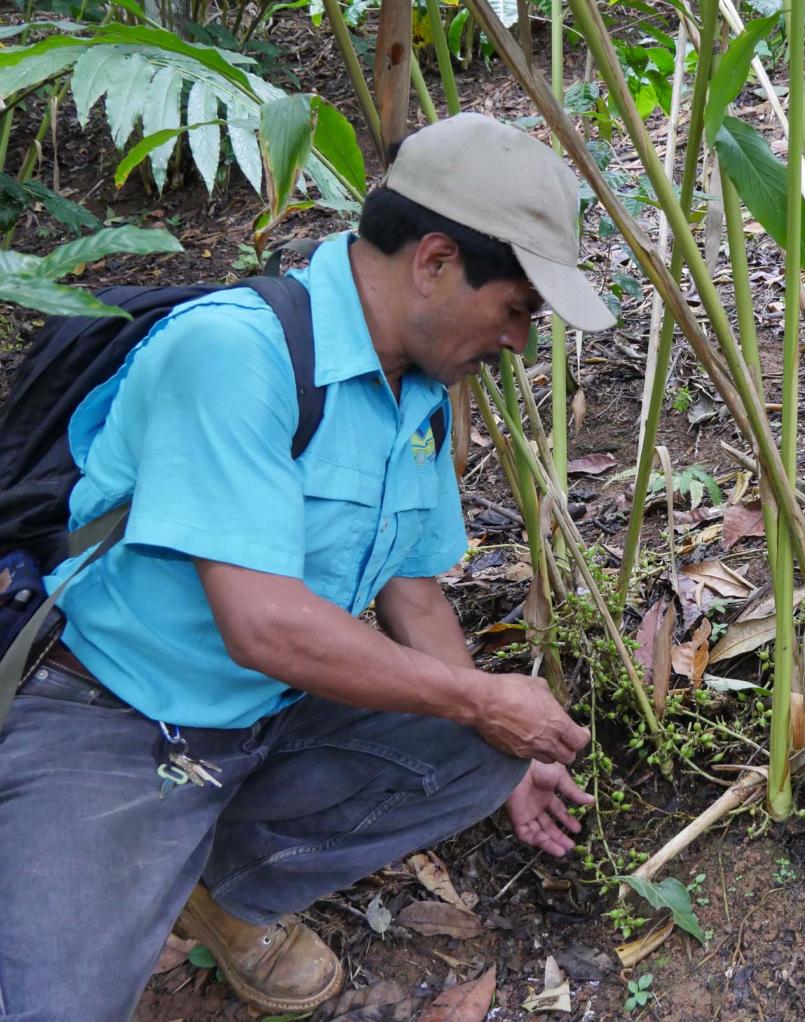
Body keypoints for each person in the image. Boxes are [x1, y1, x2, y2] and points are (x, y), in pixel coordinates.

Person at [0, 112, 615, 1022]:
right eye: (518, 307)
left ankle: (225, 892)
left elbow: (412, 588)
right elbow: (265, 624)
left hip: (260, 716)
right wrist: (481, 701)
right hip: (114, 718)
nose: (520, 340)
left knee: (487, 746)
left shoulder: (417, 393)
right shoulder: (235, 355)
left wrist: (500, 741)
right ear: (436, 261)